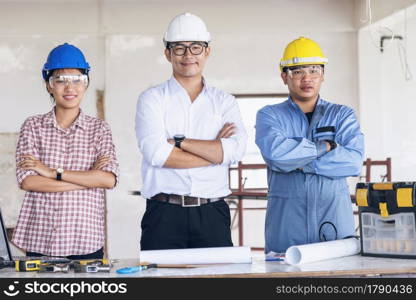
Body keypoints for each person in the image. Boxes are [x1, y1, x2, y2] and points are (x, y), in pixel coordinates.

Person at [135, 12, 247, 250]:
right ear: (167, 53)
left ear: (207, 51)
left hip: (212, 214)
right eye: (179, 48)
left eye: (196, 47)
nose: (188, 55)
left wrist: (180, 143)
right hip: (163, 214)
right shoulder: (152, 99)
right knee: (159, 286)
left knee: (217, 287)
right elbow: (156, 154)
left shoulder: (224, 101)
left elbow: (235, 150)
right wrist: (214, 151)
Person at [255, 37, 365, 253]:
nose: (307, 78)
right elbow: (276, 155)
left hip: (334, 222)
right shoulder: (270, 115)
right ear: (284, 76)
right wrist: (323, 148)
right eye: (297, 71)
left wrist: (298, 162)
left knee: (338, 284)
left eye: (314, 70)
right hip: (286, 227)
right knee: (285, 282)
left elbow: (353, 162)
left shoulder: (342, 115)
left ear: (323, 75)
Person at [12, 43, 119, 259]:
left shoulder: (99, 129)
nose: (69, 88)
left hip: (86, 242)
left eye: (77, 79)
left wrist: (52, 173)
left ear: (86, 84)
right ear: (48, 85)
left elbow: (108, 180)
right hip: (40, 239)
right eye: (60, 80)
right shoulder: (32, 126)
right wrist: (87, 180)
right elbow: (28, 181)